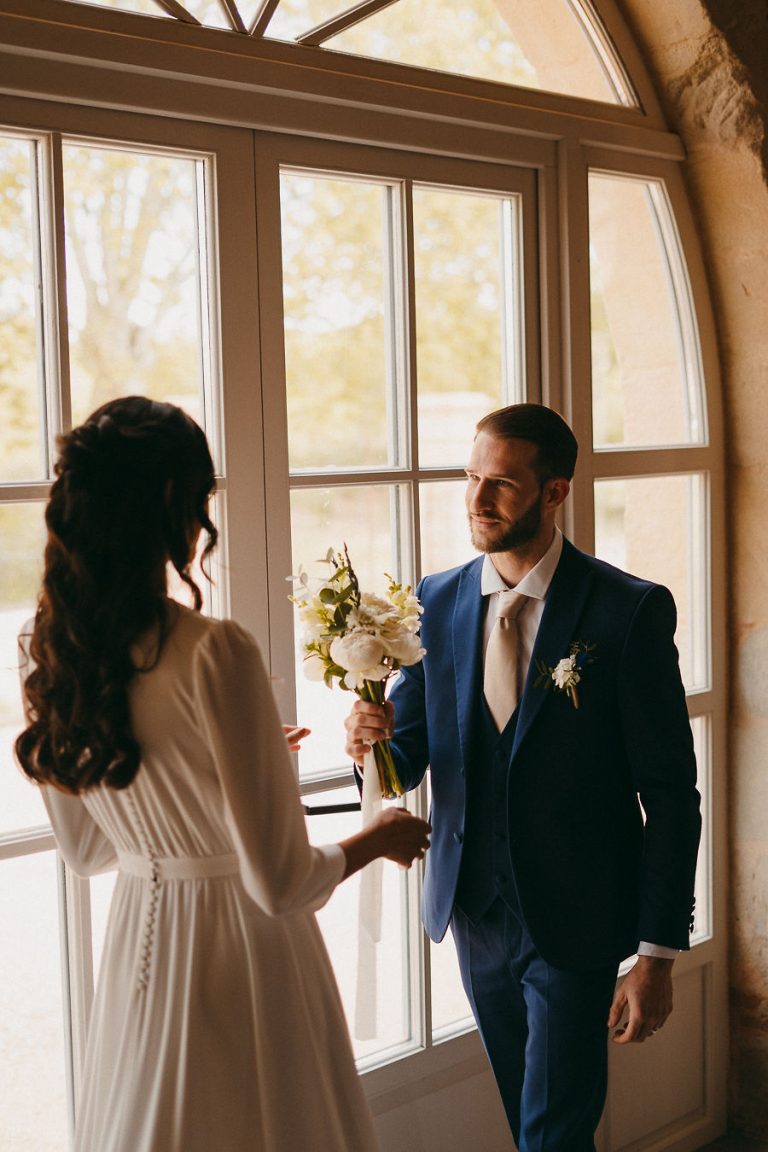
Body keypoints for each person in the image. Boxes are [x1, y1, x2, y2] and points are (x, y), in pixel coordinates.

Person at [15, 396, 430, 1152]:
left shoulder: (49, 650)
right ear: (179, 508)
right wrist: (378, 836)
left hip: (140, 948)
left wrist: (212, 767)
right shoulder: (214, 650)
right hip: (242, 954)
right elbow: (279, 884)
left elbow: (89, 851)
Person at [345, 403, 701, 1152]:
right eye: (472, 478)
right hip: (475, 912)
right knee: (528, 1121)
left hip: (579, 920)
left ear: (555, 492)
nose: (477, 501)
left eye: (501, 484)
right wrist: (367, 742)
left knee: (554, 1131)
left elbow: (669, 796)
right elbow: (407, 755)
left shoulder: (627, 611)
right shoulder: (433, 602)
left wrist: (657, 954)